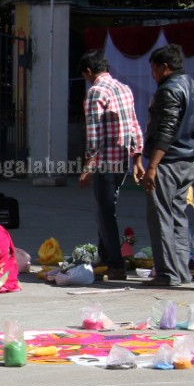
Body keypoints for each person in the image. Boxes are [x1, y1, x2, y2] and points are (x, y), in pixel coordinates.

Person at [137, 44, 194, 288]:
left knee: (160, 216)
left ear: (164, 68)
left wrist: (152, 165)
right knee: (177, 215)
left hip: (168, 160)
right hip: (188, 159)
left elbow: (166, 129)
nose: (152, 74)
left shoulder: (169, 90)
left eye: (154, 69)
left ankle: (167, 273)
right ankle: (181, 271)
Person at [79, 49, 144, 280]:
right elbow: (134, 124)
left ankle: (115, 265)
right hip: (122, 161)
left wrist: (88, 166)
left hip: (105, 162)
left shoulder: (95, 92)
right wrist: (137, 157)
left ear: (88, 71)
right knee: (107, 209)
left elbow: (94, 133)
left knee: (104, 213)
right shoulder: (123, 88)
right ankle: (107, 257)